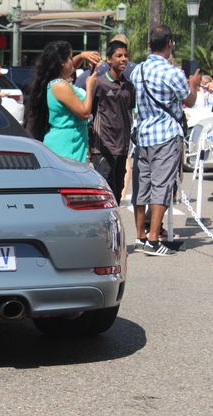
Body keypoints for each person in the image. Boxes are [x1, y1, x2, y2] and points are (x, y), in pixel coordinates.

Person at [129, 25, 200, 256]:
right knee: (162, 186)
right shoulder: (172, 73)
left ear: (150, 44)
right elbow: (189, 101)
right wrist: (194, 84)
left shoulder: (137, 71)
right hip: (166, 136)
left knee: (142, 187)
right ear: (169, 43)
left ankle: (140, 236)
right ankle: (154, 238)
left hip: (143, 135)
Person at [25, 41, 99, 163]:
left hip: (71, 140)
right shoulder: (60, 86)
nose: (72, 62)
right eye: (70, 58)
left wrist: (81, 56)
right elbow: (85, 113)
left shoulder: (56, 81)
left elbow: (71, 67)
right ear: (62, 62)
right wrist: (89, 86)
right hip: (66, 143)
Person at [89, 40, 136, 206]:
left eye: (126, 55)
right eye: (119, 56)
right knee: (104, 195)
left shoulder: (130, 87)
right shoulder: (100, 84)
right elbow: (89, 112)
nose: (124, 59)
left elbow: (129, 112)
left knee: (116, 194)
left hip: (122, 148)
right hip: (103, 148)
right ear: (109, 59)